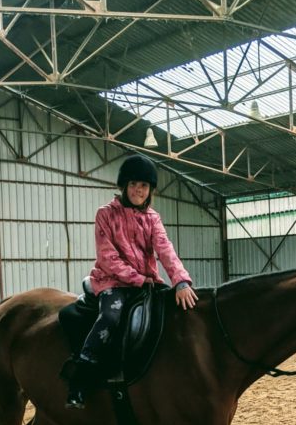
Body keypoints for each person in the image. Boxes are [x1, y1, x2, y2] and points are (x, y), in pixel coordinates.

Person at [66, 153, 198, 409]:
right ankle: (80, 378)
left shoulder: (153, 218)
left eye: (144, 186)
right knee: (111, 318)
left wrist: (180, 281)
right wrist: (138, 279)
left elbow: (165, 249)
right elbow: (108, 257)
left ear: (150, 190)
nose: (139, 190)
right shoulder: (106, 214)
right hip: (112, 282)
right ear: (125, 185)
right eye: (134, 184)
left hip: (147, 282)